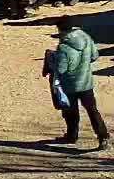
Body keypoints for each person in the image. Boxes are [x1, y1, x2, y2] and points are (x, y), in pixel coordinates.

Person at [47, 16, 110, 147]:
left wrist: (51, 59)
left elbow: (61, 69)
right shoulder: (85, 37)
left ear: (60, 29)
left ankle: (72, 135)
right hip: (86, 82)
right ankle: (102, 136)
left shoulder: (64, 47)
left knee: (71, 112)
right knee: (92, 110)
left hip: (69, 85)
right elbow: (94, 56)